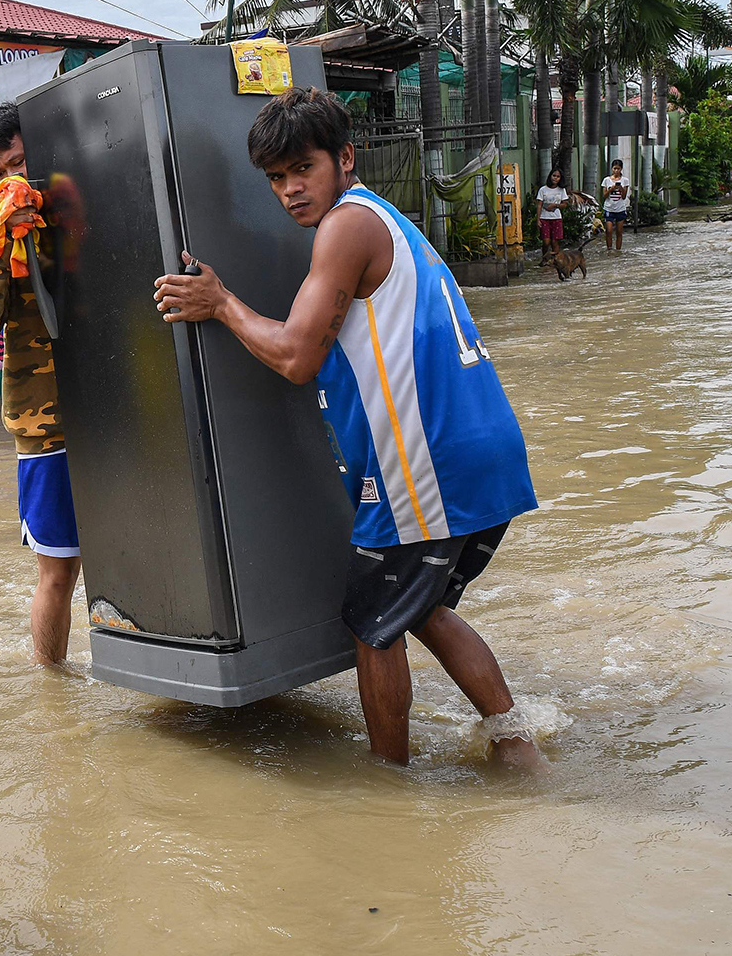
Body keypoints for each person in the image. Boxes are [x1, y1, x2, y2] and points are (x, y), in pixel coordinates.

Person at [151, 87, 542, 768]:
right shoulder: (384, 219)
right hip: (482, 453)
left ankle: (389, 787)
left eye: (303, 169)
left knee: (373, 624)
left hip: (429, 463)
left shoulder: (346, 226)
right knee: (417, 609)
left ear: (346, 158)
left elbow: (299, 357)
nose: (290, 191)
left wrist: (220, 302)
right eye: (275, 178)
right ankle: (513, 743)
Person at [0, 102, 82, 664]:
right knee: (57, 571)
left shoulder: (81, 206)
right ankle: (52, 692)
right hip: (43, 421)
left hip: (118, 408)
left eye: (20, 164)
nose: (11, 181)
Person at [535, 169, 569, 259]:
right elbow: (539, 205)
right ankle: (545, 258)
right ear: (550, 176)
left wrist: (555, 205)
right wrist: (538, 219)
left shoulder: (561, 190)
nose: (555, 178)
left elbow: (565, 204)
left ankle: (556, 261)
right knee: (546, 241)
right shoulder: (543, 190)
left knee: (555, 242)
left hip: (556, 218)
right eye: (554, 176)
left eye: (558, 177)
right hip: (544, 218)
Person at [600, 159, 631, 252]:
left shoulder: (625, 180)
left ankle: (618, 250)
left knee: (619, 232)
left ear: (621, 169)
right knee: (608, 231)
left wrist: (621, 188)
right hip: (609, 208)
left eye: (618, 169)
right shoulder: (606, 180)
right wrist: (611, 189)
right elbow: (604, 196)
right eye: (615, 168)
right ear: (612, 169)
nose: (616, 171)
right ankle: (609, 249)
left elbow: (624, 196)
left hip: (620, 209)